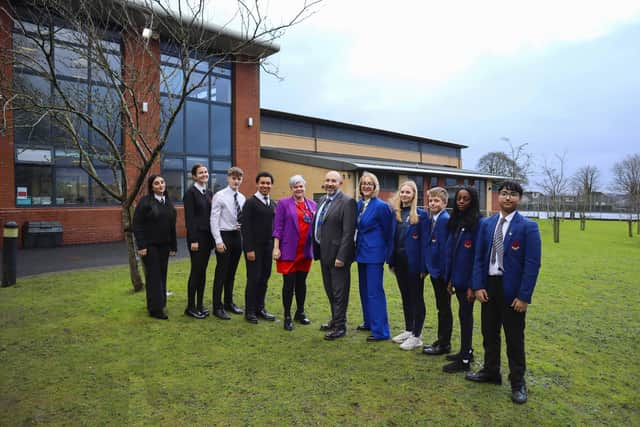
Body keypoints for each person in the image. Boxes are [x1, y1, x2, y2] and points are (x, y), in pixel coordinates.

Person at [465, 181, 541, 405]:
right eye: (505, 194)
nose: (508, 198)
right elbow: (478, 257)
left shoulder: (528, 227)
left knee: (514, 338)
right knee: (489, 333)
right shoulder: (487, 224)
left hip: (512, 291)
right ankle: (491, 371)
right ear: (498, 196)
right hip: (489, 287)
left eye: (513, 194)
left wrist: (524, 296)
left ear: (519, 198)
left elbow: (532, 264)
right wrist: (478, 286)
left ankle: (518, 382)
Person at [441, 186, 483, 372]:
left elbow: (476, 256)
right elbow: (452, 253)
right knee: (462, 315)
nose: (461, 201)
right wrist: (450, 279)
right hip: (456, 278)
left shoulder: (478, 223)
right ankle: (466, 350)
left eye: (465, 199)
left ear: (472, 201)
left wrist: (473, 286)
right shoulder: (456, 222)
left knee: (466, 317)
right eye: (459, 198)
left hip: (468, 283)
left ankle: (465, 359)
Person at [312, 170, 357, 340]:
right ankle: (334, 319)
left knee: (339, 292)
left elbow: (348, 232)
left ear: (340, 183)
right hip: (324, 254)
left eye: (333, 180)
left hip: (338, 256)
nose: (330, 183)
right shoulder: (323, 200)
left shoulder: (347, 202)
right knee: (329, 290)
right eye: (327, 180)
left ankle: (340, 326)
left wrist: (342, 257)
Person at [272, 175, 317, 331]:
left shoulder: (312, 205)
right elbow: (278, 227)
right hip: (288, 250)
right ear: (291, 188)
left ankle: (300, 312)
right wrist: (276, 247)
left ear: (305, 187)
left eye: (301, 186)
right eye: (295, 186)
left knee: (301, 284)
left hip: (305, 251)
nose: (299, 189)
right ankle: (287, 316)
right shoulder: (283, 204)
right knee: (288, 285)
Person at [388, 180, 428, 350]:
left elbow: (425, 243)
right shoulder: (395, 214)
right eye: (402, 192)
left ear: (413, 195)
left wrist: (423, 267)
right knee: (405, 297)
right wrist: (391, 261)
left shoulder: (420, 215)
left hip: (414, 264)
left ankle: (417, 336)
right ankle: (409, 329)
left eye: (408, 192)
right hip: (399, 262)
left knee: (416, 298)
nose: (404, 195)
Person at [355, 172, 393, 342]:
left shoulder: (381, 206)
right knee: (364, 290)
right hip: (361, 252)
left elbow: (388, 231)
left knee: (374, 292)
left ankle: (381, 331)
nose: (366, 186)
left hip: (375, 253)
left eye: (370, 183)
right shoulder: (359, 204)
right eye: (364, 183)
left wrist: (386, 253)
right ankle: (369, 322)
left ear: (375, 186)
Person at [133, 174, 177, 320]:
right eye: (157, 183)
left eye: (162, 182)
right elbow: (137, 225)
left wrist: (173, 246)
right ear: (152, 186)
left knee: (162, 275)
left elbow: (172, 227)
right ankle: (155, 309)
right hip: (149, 247)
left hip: (164, 247)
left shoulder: (168, 203)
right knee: (154, 276)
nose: (160, 185)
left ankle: (159, 303)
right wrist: (141, 245)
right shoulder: (145, 202)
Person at [240, 172, 277, 324]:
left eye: (268, 183)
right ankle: (249, 311)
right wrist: (249, 249)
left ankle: (260, 308)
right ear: (257, 184)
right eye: (262, 183)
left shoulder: (273, 204)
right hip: (254, 248)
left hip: (268, 247)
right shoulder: (250, 203)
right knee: (253, 279)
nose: (265, 186)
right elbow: (245, 227)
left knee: (264, 278)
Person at [210, 166, 246, 320]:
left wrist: (242, 225)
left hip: (237, 236)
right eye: (233, 178)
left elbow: (242, 217)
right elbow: (213, 219)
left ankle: (228, 302)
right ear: (228, 178)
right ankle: (217, 307)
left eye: (239, 178)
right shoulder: (220, 196)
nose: (236, 181)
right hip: (224, 236)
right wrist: (218, 240)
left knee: (231, 272)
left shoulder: (242, 197)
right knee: (221, 272)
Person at [422, 186, 453, 356]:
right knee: (441, 307)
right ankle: (441, 339)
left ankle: (444, 343)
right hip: (434, 270)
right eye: (431, 200)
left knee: (444, 308)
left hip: (441, 272)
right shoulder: (433, 218)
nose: (432, 203)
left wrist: (445, 274)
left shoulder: (444, 220)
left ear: (444, 203)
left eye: (436, 201)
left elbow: (445, 249)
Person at [183, 164, 214, 319]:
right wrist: (193, 239)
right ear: (194, 176)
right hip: (197, 238)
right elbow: (189, 219)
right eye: (201, 173)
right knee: (196, 271)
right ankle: (190, 307)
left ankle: (200, 304)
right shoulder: (190, 193)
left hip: (208, 238)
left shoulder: (209, 193)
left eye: (206, 172)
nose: (204, 174)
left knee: (202, 272)